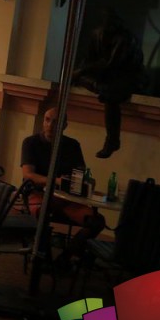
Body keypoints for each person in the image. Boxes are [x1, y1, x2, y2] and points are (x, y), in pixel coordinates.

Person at [20, 107, 106, 269]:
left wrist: (87, 182)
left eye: (56, 122)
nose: (50, 125)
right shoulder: (31, 142)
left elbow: (80, 173)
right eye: (47, 120)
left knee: (96, 221)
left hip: (67, 198)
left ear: (64, 125)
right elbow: (28, 174)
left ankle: (65, 258)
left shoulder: (72, 145)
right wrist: (56, 181)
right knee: (42, 213)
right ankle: (43, 260)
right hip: (39, 194)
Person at [73, 8, 144, 159]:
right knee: (78, 79)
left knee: (110, 95)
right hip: (103, 76)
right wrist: (81, 71)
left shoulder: (125, 39)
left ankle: (112, 140)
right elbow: (89, 58)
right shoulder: (97, 34)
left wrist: (84, 70)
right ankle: (99, 87)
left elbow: (112, 64)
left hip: (124, 77)